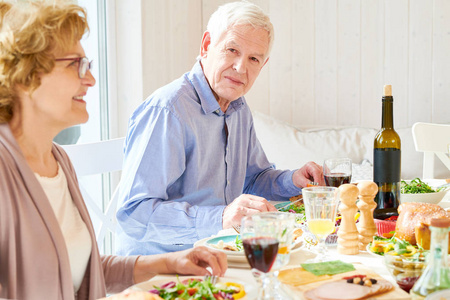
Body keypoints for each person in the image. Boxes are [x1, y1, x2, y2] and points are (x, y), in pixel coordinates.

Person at [0, 2, 227, 300]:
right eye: (75, 64)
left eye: (88, 65)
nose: (91, 79)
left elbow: (82, 271)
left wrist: (168, 263)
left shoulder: (57, 160)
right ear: (25, 74)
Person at [116, 1, 324, 256]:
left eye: (253, 58)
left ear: (263, 65)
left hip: (218, 255)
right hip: (160, 267)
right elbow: (134, 214)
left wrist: (293, 180)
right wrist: (222, 217)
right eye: (232, 50)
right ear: (206, 46)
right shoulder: (168, 110)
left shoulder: (238, 108)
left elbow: (253, 179)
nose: (240, 67)